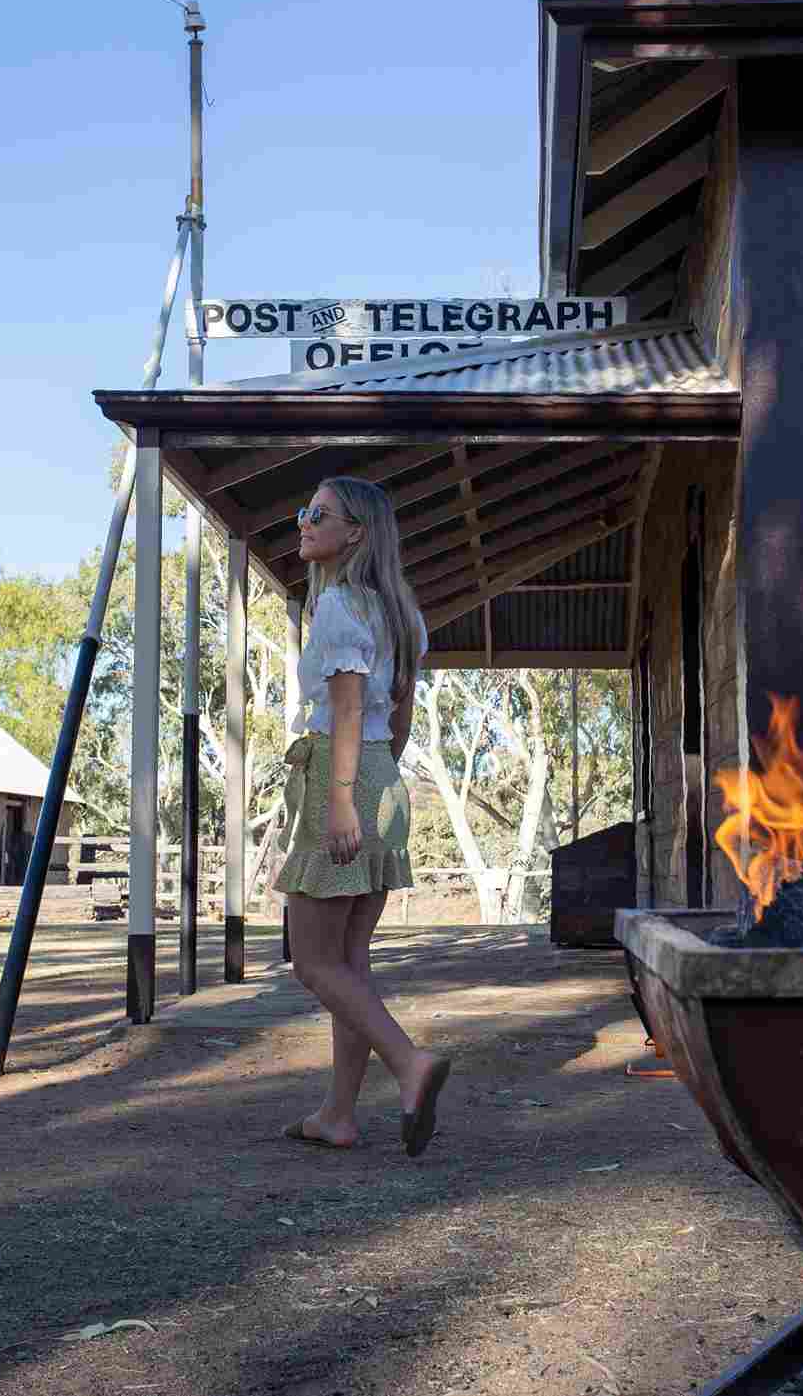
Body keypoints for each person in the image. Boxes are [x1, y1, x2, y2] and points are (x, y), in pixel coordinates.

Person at [275, 475, 452, 1157]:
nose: (303, 521)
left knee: (313, 963)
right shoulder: (400, 614)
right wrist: (376, 782)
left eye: (319, 513)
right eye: (303, 508)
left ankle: (410, 1064)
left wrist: (343, 798)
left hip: (340, 776)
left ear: (355, 533)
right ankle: (337, 1114)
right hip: (383, 772)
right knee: (350, 960)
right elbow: (395, 717)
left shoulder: (341, 609)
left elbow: (346, 710)